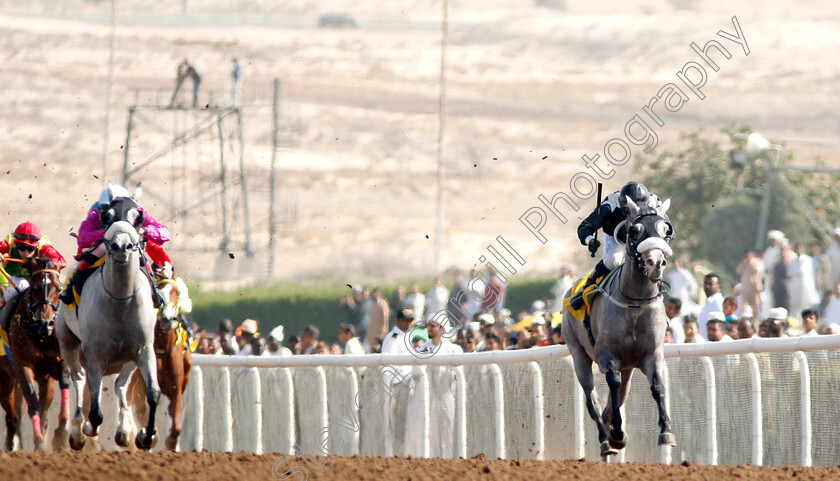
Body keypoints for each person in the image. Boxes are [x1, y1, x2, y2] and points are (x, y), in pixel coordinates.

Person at [59, 184, 171, 313]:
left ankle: (154, 290)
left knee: (141, 258)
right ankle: (72, 286)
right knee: (99, 250)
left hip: (130, 246)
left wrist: (144, 231)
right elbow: (83, 239)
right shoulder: (97, 212)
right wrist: (111, 232)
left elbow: (166, 234)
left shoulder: (137, 211)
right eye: (105, 207)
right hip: (106, 246)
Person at [569, 181, 662, 310]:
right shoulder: (610, 205)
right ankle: (587, 285)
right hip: (616, 236)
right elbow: (585, 227)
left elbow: (664, 225)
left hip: (641, 238)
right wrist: (590, 240)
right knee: (612, 261)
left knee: (655, 258)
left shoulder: (654, 203)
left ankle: (658, 289)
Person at [0, 221, 67, 332]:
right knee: (21, 284)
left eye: (31, 249)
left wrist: (41, 261)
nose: (26, 253)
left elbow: (62, 262)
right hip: (18, 278)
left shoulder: (44, 247)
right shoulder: (8, 244)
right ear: (16, 243)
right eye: (21, 247)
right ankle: (3, 316)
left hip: (39, 279)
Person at [736, 250, 764, 320]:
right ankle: (743, 321)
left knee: (756, 309)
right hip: (745, 289)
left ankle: (755, 324)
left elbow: (757, 270)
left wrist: (751, 262)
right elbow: (739, 271)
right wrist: (743, 263)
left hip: (755, 290)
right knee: (744, 308)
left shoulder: (758, 262)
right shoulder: (745, 263)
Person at [696, 273, 724, 341]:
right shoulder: (708, 303)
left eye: (710, 284)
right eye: (705, 284)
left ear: (719, 286)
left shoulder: (719, 303)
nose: (707, 287)